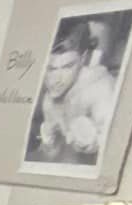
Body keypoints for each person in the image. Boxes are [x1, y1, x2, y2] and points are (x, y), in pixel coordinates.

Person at [31, 21, 119, 167]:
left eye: (67, 66)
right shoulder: (49, 97)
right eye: (50, 69)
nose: (56, 80)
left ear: (83, 58)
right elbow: (50, 157)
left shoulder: (101, 88)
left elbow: (117, 155)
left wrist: (92, 142)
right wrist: (48, 139)